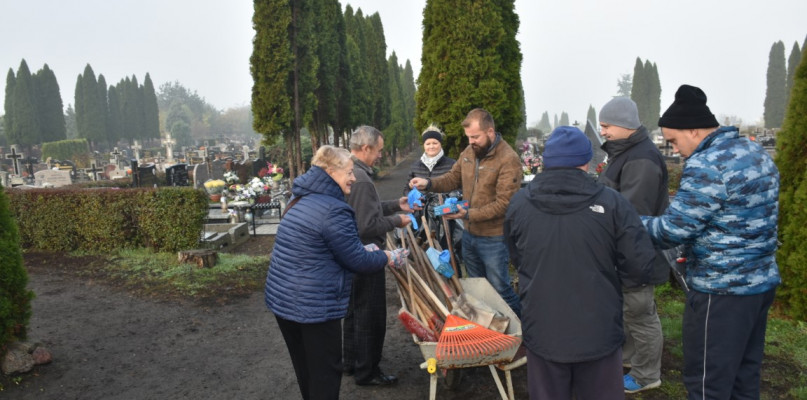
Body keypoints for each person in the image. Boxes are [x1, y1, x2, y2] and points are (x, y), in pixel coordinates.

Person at [641, 84, 781, 400]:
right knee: (745, 377)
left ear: (693, 129)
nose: (673, 149)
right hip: (759, 284)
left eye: (673, 140)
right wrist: (698, 248)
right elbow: (739, 218)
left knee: (708, 383)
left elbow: (672, 231)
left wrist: (627, 223)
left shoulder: (707, 164)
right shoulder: (753, 151)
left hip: (722, 291)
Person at [504, 126, 655, 400]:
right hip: (597, 329)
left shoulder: (519, 204)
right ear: (586, 162)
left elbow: (516, 256)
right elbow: (639, 263)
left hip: (544, 326)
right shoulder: (613, 204)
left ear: (546, 162)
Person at [264, 145, 408, 400]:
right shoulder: (334, 209)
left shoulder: (301, 198)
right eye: (349, 172)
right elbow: (357, 261)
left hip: (284, 302)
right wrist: (387, 256)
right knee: (326, 373)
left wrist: (362, 249)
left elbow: (321, 246)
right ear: (331, 171)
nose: (353, 177)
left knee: (306, 368)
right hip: (314, 307)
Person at [409, 108, 523, 317]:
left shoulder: (508, 159)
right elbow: (453, 178)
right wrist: (429, 183)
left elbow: (505, 204)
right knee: (477, 290)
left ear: (490, 132)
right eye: (468, 137)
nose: (471, 141)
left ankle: (523, 332)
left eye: (475, 137)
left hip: (494, 238)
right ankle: (491, 332)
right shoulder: (470, 153)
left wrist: (467, 214)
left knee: (500, 290)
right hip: (470, 236)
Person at [598, 96, 669, 393]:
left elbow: (632, 217)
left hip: (637, 254)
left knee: (640, 314)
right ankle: (628, 360)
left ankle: (646, 374)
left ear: (625, 125)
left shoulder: (640, 160)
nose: (602, 132)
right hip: (623, 252)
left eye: (606, 126)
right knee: (627, 310)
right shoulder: (625, 153)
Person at [343, 125, 413, 387]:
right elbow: (367, 225)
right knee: (368, 314)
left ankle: (350, 362)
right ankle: (367, 371)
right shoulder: (360, 179)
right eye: (379, 150)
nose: (381, 155)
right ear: (365, 148)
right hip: (366, 254)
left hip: (352, 253)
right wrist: (397, 220)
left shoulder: (354, 172)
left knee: (353, 310)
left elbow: (367, 210)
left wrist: (396, 204)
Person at [404, 124, 456, 192]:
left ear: (441, 144)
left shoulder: (452, 164)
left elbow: (458, 187)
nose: (431, 146)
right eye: (428, 144)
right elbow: (407, 189)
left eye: (435, 143)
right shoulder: (415, 166)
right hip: (419, 202)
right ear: (424, 146)